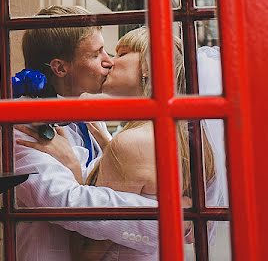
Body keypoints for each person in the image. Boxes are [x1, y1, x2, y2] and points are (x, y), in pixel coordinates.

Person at [22, 27, 227, 260]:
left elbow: (86, 251)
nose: (109, 61)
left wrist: (75, 168)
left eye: (121, 54)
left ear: (149, 67)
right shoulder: (181, 137)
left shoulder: (130, 143)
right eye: (99, 53)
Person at [0, 7, 161, 261]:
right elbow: (65, 203)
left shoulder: (90, 116)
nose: (109, 60)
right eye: (95, 54)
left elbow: (117, 178)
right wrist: (165, 217)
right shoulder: (17, 124)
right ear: (60, 68)